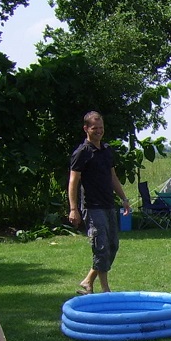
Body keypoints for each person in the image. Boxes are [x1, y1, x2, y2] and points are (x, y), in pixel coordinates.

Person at [68, 111, 130, 295]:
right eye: (95, 128)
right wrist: (73, 209)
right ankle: (105, 289)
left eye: (101, 128)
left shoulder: (106, 150)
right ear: (86, 128)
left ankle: (88, 281)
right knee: (101, 247)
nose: (98, 131)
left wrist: (124, 199)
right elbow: (73, 181)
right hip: (92, 206)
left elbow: (113, 177)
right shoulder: (82, 152)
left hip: (109, 204)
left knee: (113, 246)